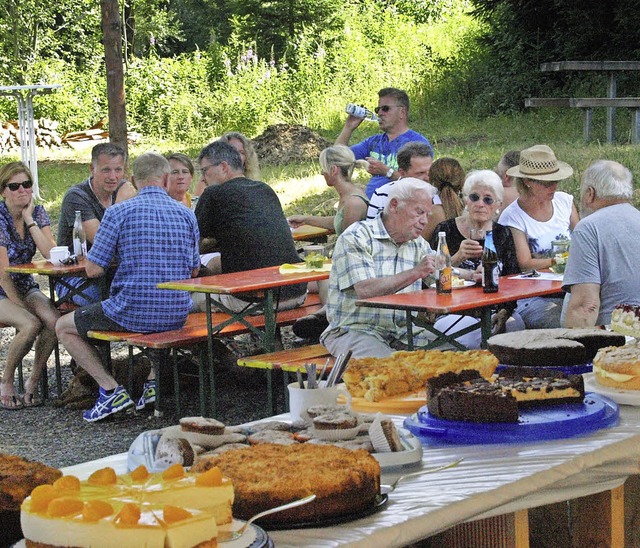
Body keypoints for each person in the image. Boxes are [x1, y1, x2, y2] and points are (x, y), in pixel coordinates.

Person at [55, 152, 201, 422]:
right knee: (163, 318)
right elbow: (194, 270)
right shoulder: (186, 214)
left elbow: (93, 269)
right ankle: (152, 384)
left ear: (133, 180)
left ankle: (110, 390)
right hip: (177, 310)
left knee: (63, 326)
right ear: (167, 179)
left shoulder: (118, 212)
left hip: (131, 309)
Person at [320, 178, 438, 359]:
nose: (424, 221)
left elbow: (442, 276)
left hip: (404, 332)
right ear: (394, 205)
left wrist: (472, 275)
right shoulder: (356, 236)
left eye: (427, 215)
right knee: (388, 371)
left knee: (457, 359)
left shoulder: (417, 243)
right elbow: (365, 289)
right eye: (419, 212)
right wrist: (415, 273)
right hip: (354, 330)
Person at [194, 140, 306, 312]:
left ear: (223, 167)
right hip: (297, 292)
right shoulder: (264, 189)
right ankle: (271, 339)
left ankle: (211, 340)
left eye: (204, 171)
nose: (202, 178)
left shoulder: (213, 194)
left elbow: (193, 243)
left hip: (254, 300)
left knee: (185, 299)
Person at [428, 170, 523, 347]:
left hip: (494, 308)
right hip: (454, 310)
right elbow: (429, 277)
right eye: (474, 197)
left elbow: (513, 279)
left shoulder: (502, 233)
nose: (480, 204)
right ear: (465, 200)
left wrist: (505, 311)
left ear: (498, 205)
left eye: (488, 199)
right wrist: (457, 257)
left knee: (516, 330)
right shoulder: (446, 230)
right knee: (471, 335)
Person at [287, 145, 369, 338]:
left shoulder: (353, 202)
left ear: (333, 170)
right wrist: (306, 219)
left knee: (314, 281)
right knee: (303, 282)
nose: (322, 174)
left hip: (350, 267)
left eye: (323, 169)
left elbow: (348, 245)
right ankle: (324, 317)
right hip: (341, 263)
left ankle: (329, 319)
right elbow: (336, 222)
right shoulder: (347, 197)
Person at [0, 162, 60, 409]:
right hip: (1, 286)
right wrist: (21, 305)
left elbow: (51, 254)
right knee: (30, 322)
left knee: (56, 322)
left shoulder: (37, 212)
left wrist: (29, 220)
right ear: (3, 191)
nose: (22, 191)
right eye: (14, 186)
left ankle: (33, 381)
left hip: (24, 283)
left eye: (26, 184)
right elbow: (2, 273)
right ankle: (6, 382)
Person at [499, 145, 579, 329]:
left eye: (556, 180)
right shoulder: (513, 217)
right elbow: (525, 264)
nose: (554, 187)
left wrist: (544, 261)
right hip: (534, 296)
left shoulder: (564, 202)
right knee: (566, 322)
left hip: (570, 288)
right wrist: (562, 259)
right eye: (546, 183)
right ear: (527, 181)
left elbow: (583, 242)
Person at [562, 160, 640, 327]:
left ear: (590, 193)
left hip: (617, 337)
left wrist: (574, 349)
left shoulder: (588, 228)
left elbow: (586, 306)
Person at [57, 143, 136, 305]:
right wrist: (120, 204)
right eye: (106, 170)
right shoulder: (77, 197)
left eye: (118, 170)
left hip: (114, 273)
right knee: (105, 300)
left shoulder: (124, 189)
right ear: (92, 169)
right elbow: (103, 242)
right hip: (75, 277)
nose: (113, 176)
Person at [336, 87, 433, 198]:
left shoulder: (417, 143)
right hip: (372, 206)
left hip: (401, 206)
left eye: (385, 109)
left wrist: (387, 171)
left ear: (402, 112)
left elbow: (421, 183)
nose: (380, 113)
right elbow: (336, 158)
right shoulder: (374, 141)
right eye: (378, 110)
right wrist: (348, 127)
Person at [365, 141, 434, 219]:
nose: (428, 177)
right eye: (420, 173)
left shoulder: (438, 194)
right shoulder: (383, 195)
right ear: (402, 173)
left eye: (430, 171)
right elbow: (372, 228)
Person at [194, 131, 260, 197]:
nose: (236, 155)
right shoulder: (208, 179)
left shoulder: (255, 185)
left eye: (241, 152)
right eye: (232, 150)